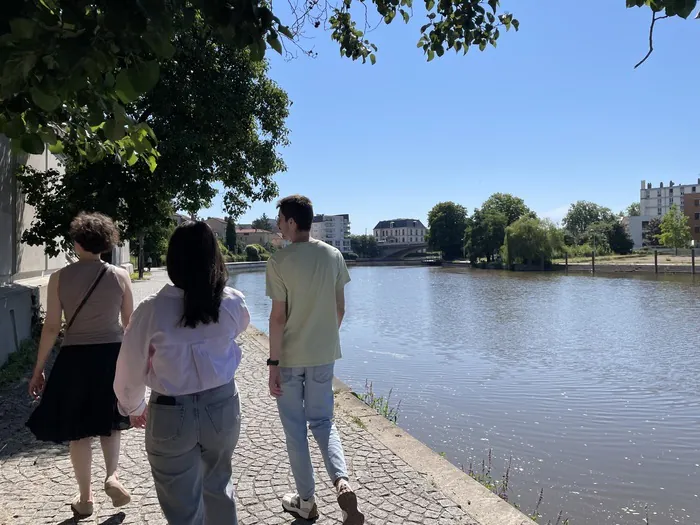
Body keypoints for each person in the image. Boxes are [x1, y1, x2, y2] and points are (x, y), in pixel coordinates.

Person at [114, 221, 250, 525]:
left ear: (173, 260)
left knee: (181, 508)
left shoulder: (151, 310)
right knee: (219, 486)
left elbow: (128, 371)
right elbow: (238, 330)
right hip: (222, 405)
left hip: (170, 411)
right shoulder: (231, 302)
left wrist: (134, 407)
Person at [26, 212, 134, 518]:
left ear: (76, 243)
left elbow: (50, 327)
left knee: (79, 431)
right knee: (110, 422)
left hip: (75, 357)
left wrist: (38, 369)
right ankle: (112, 476)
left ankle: (85, 499)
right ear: (107, 242)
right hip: (111, 356)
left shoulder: (60, 277)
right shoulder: (120, 275)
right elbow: (130, 325)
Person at [266, 195, 364, 525]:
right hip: (323, 356)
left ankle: (306, 502)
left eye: (280, 219)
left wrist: (273, 364)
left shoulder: (279, 261)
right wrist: (323, 339)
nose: (278, 224)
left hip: (291, 359)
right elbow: (340, 308)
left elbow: (277, 318)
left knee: (295, 430)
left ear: (292, 222)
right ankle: (342, 482)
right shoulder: (334, 255)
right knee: (323, 423)